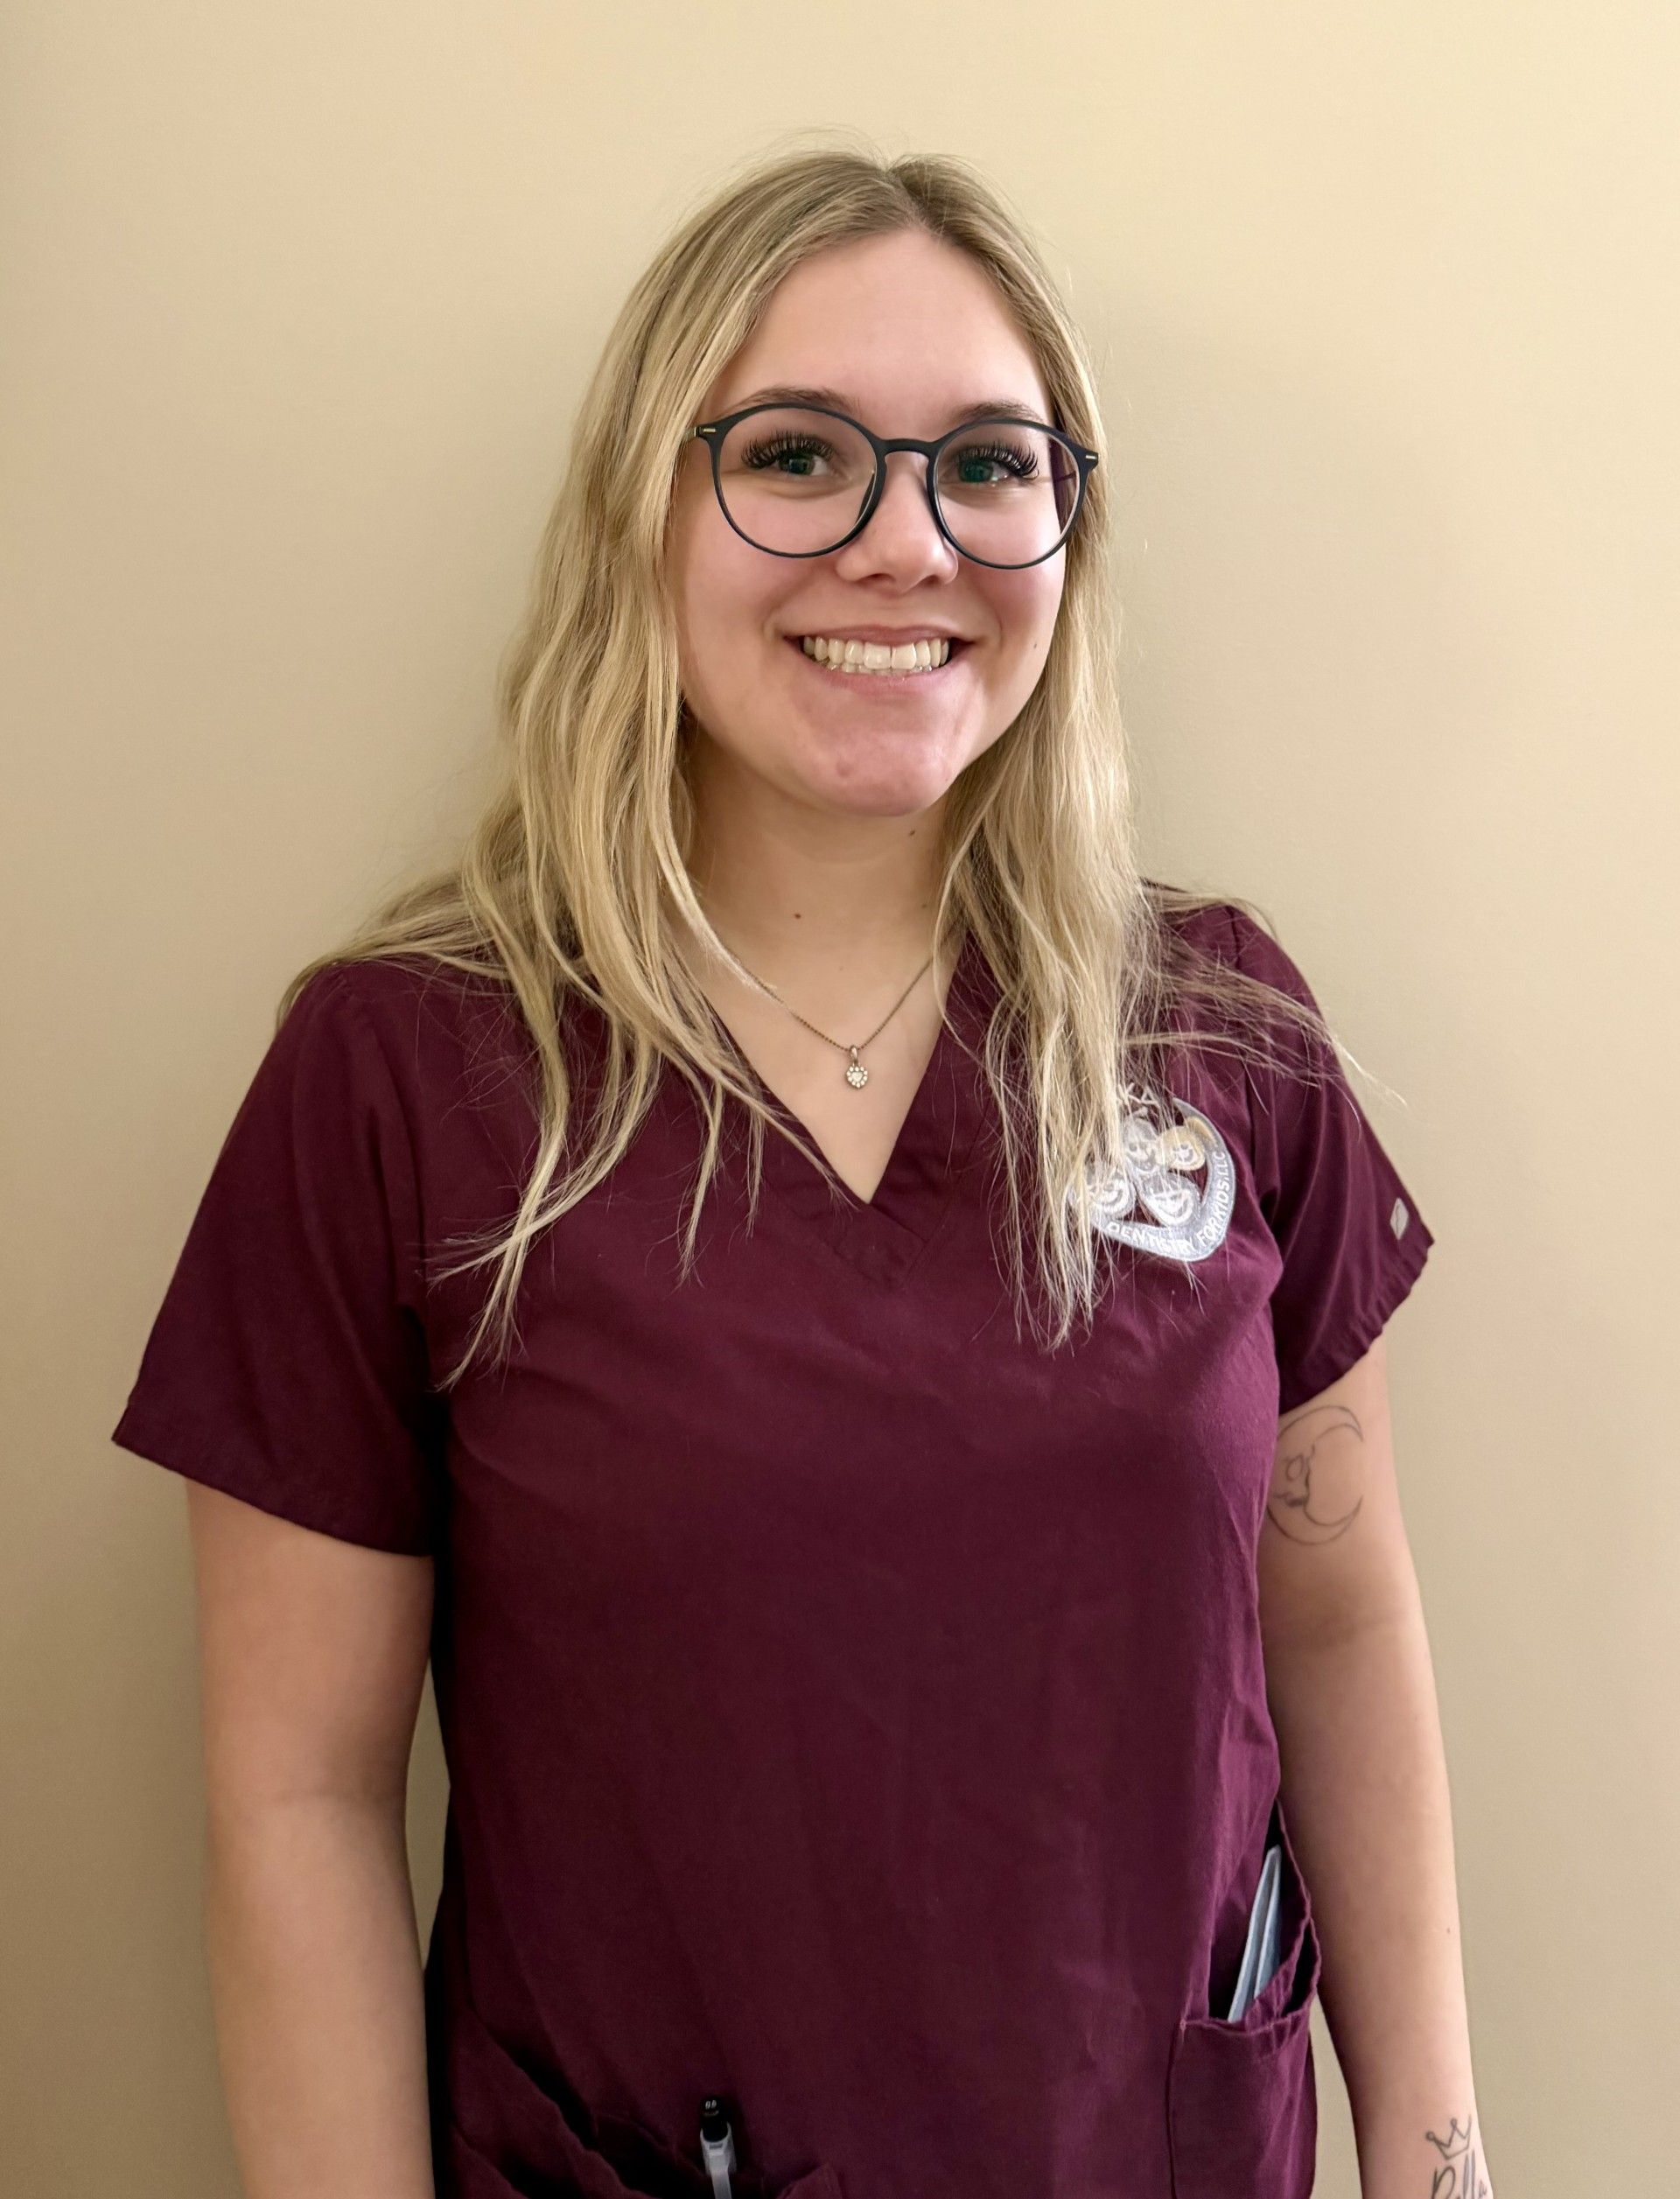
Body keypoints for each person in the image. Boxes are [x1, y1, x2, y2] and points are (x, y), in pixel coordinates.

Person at [111, 145, 1492, 2199]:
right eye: (797, 455)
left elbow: (1344, 1628)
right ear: (643, 517)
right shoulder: (408, 1078)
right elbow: (298, 1794)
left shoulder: (1222, 1033)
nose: (901, 543)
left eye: (989, 466)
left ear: (1067, 531)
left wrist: (1445, 2164)